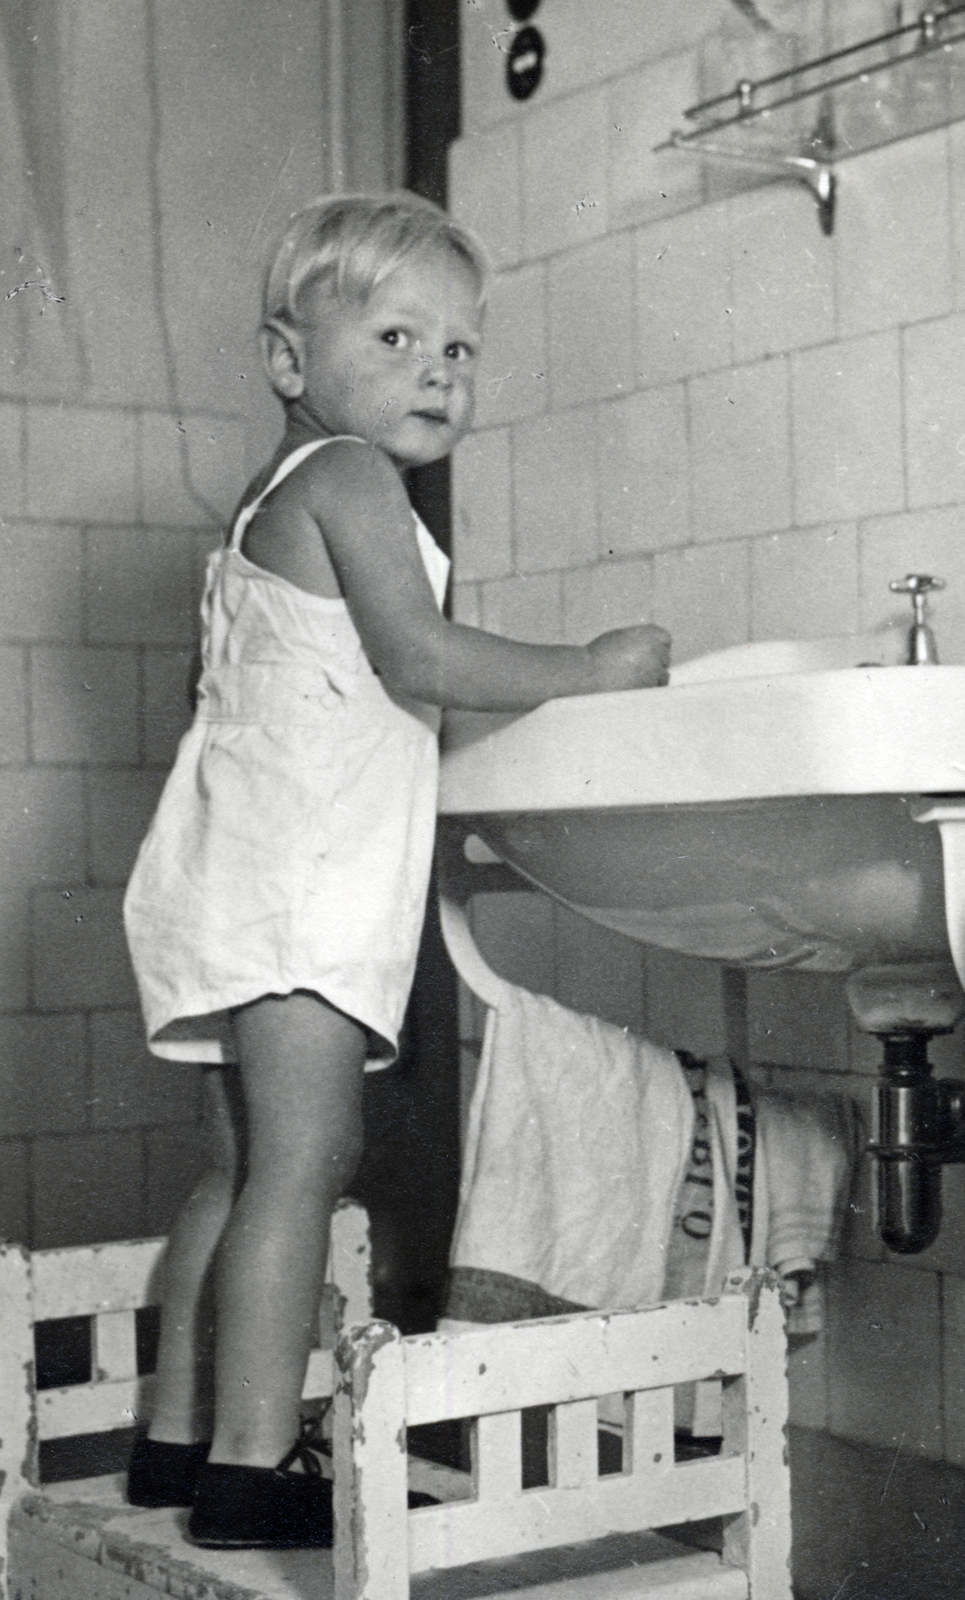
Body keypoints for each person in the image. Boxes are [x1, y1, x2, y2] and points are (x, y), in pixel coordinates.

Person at [122, 192, 670, 1550]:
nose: (439, 369)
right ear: (288, 361)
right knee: (310, 1162)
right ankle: (253, 1467)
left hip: (226, 874)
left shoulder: (262, 506)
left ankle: (173, 1443)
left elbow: (285, 693)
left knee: (240, 1169)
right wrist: (586, 675)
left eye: (461, 349)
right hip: (300, 885)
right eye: (397, 335)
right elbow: (416, 657)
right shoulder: (350, 480)